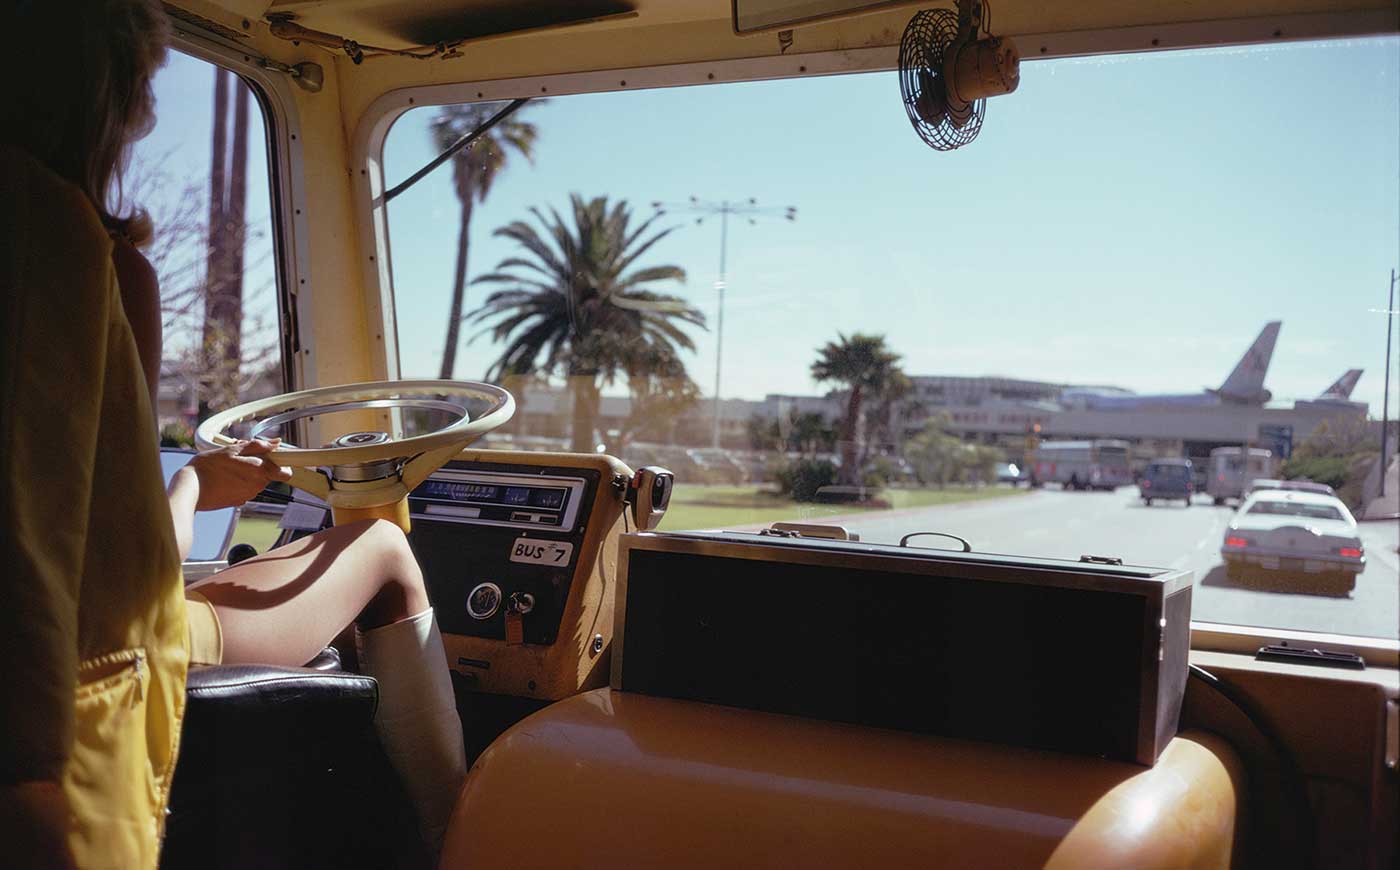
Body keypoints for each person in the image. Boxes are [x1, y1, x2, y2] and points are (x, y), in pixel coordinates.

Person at [0, 2, 463, 867]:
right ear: (105, 96)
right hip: (109, 662)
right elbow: (123, 569)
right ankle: (455, 843)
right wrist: (191, 487)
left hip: (78, 653)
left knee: (265, 574)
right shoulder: (94, 264)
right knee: (381, 548)